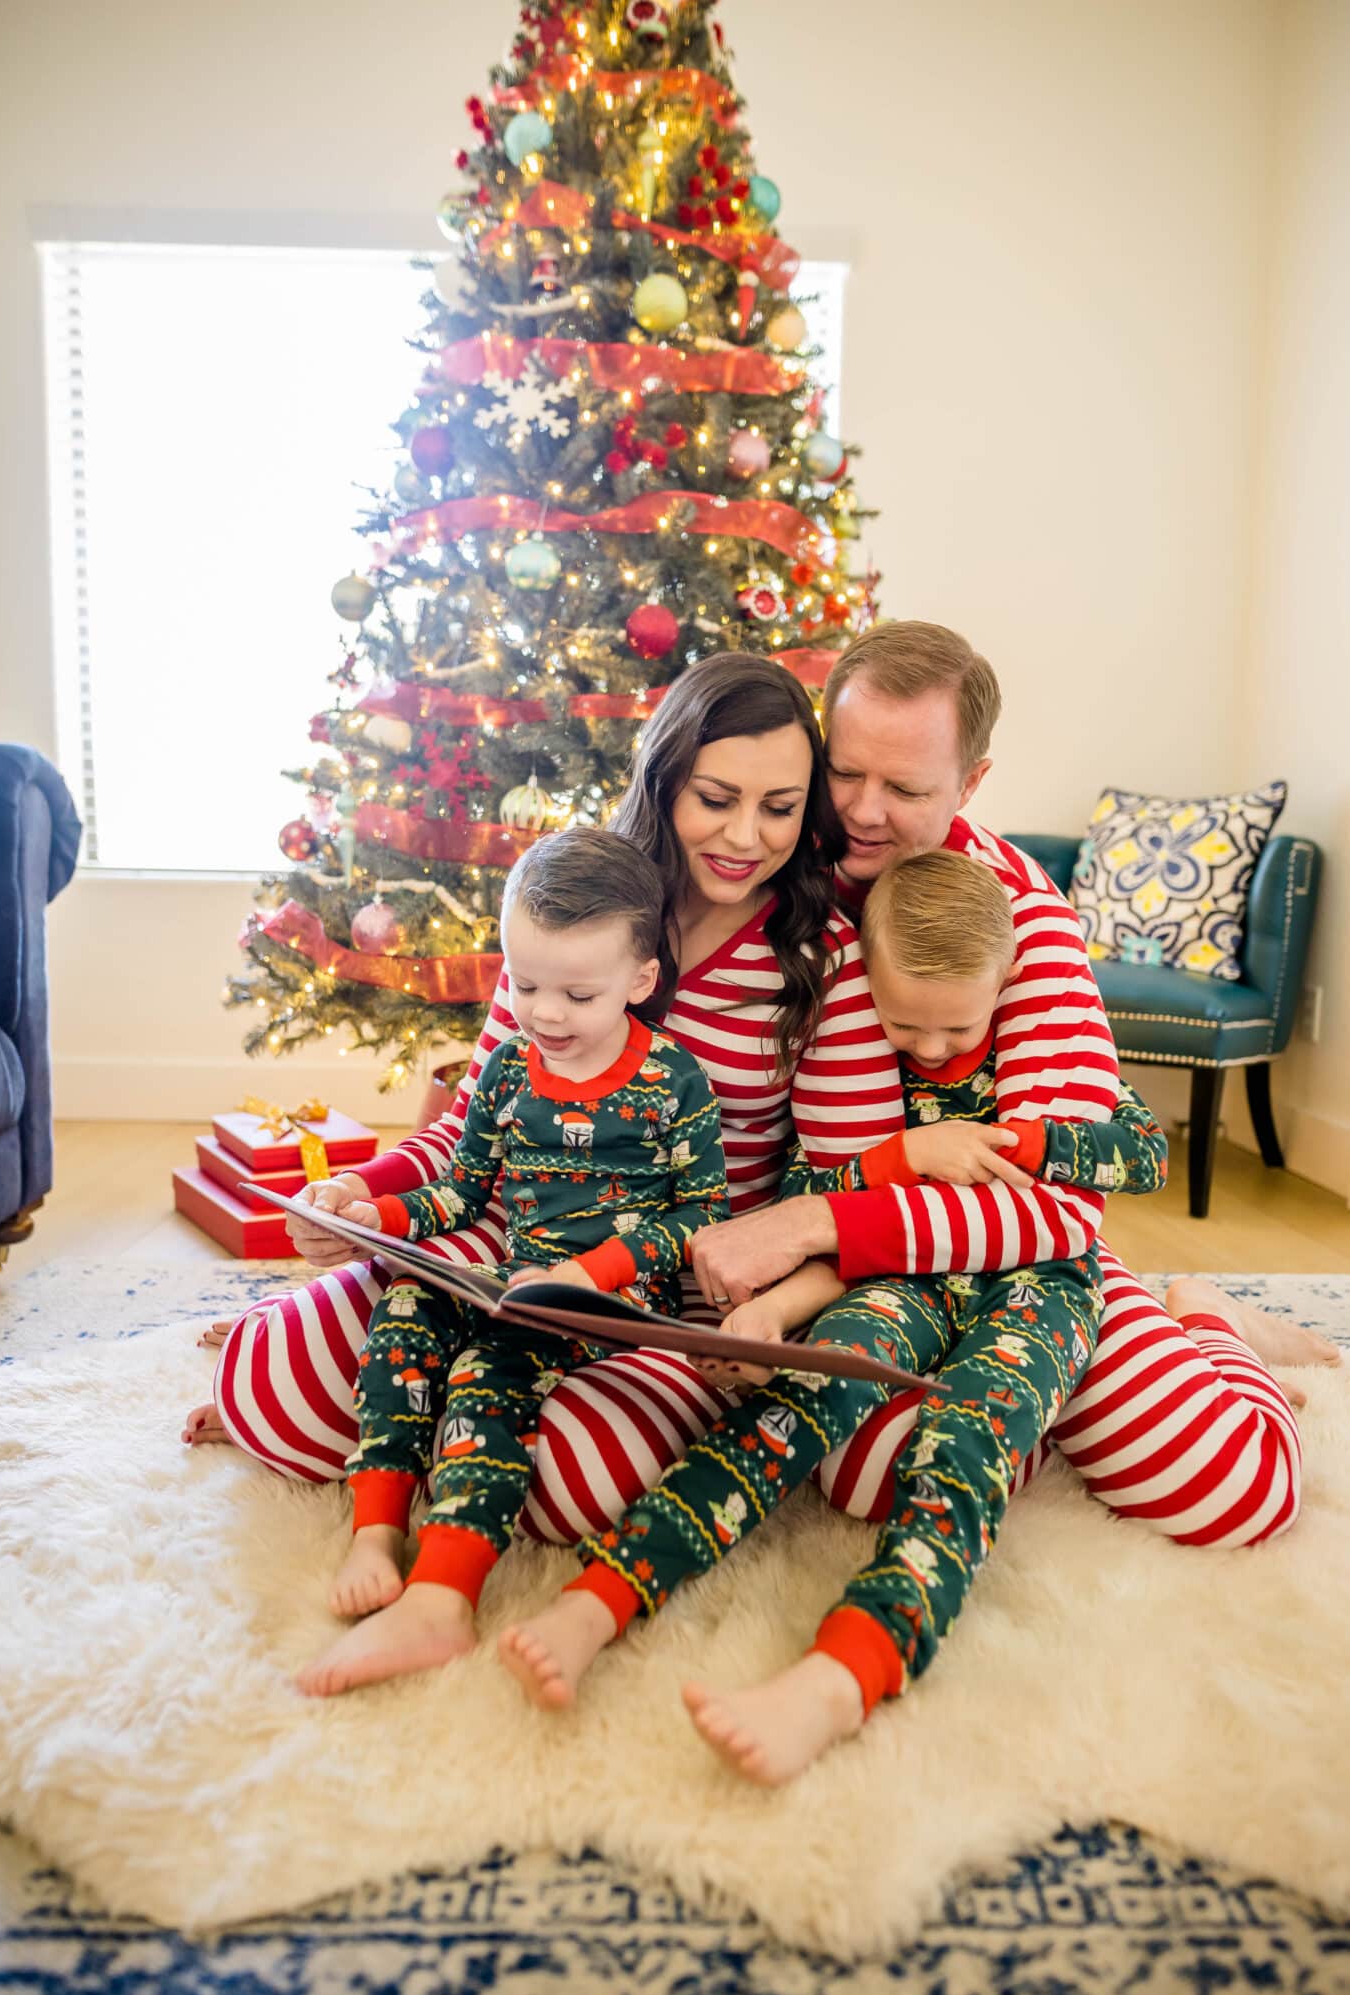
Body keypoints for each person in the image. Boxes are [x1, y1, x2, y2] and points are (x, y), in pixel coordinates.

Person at [185, 654, 909, 1538]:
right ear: (664, 780)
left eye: (780, 808)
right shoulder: (575, 902)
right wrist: (357, 1197)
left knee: (574, 1481)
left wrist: (771, 1301)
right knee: (269, 1374)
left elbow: (852, 1184)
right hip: (502, 1244)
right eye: (715, 800)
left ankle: (426, 1443)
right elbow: (467, 1135)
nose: (745, 836)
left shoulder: (822, 959)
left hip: (665, 1288)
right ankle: (426, 1433)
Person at [497, 850, 1165, 1755]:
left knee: (963, 1446)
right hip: (895, 1280)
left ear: (1003, 983)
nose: (929, 1051)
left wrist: (1014, 1139)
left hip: (1038, 1290)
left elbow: (1141, 1156)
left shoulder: (1048, 1066)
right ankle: (599, 1599)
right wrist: (780, 1309)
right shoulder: (873, 1074)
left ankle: (848, 1670)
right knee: (789, 1407)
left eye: (954, 1028)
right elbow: (831, 1197)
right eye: (903, 1027)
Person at [686, 622, 1322, 1549]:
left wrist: (811, 1223)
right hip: (871, 1265)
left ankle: (1205, 1315)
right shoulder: (773, 874)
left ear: (970, 785)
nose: (862, 812)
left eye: (904, 789)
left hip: (1023, 1261)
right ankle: (1012, 1418)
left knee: (1229, 1489)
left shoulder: (1025, 918)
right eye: (846, 772)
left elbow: (1064, 1207)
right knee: (865, 1475)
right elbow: (836, 1156)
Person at [295, 827, 728, 1696]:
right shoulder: (503, 1072)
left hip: (607, 1304)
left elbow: (696, 1215)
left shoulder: (673, 1082)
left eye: (577, 992)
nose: (546, 1013)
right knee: (411, 1303)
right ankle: (374, 1529)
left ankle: (443, 1597)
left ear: (640, 983)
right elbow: (458, 1195)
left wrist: (589, 1274)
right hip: (510, 1276)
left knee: (489, 1370)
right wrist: (367, 1217)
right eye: (524, 984)